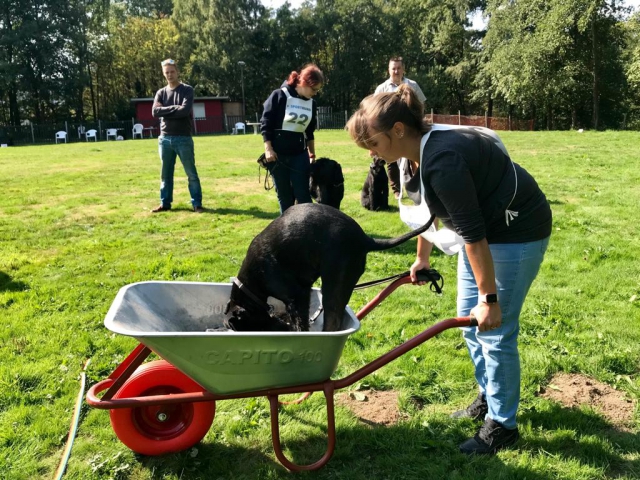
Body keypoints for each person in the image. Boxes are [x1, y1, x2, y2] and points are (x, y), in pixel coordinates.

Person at [346, 84, 552, 455]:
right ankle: (488, 398)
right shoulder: (411, 156)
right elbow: (430, 212)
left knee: (495, 329)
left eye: (373, 144)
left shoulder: (442, 159)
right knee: (467, 321)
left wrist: (490, 298)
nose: (372, 154)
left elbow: (473, 235)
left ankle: (503, 425)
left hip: (515, 230)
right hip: (485, 233)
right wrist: (422, 257)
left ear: (397, 130)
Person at [260, 64, 324, 214]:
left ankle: (308, 230)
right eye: (314, 89)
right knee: (285, 196)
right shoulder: (279, 95)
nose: (315, 94)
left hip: (299, 155)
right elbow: (266, 123)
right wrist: (268, 149)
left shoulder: (312, 104)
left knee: (303, 195)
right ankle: (287, 233)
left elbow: (309, 131)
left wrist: (312, 154)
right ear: (304, 83)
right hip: (277, 156)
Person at [151, 58, 204, 213]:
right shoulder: (161, 92)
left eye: (172, 71)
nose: (170, 75)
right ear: (163, 73)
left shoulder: (187, 90)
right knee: (165, 175)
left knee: (191, 174)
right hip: (164, 139)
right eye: (166, 72)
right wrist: (175, 108)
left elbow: (185, 111)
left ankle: (197, 204)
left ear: (177, 71)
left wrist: (166, 110)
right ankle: (165, 203)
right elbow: (155, 111)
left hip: (183, 138)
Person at [374, 56, 426, 200]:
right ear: (388, 70)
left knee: (415, 158)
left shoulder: (413, 85)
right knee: (391, 160)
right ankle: (396, 191)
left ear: (403, 69)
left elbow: (421, 106)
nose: (396, 71)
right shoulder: (382, 88)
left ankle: (417, 189)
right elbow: (375, 111)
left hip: (410, 130)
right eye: (393, 68)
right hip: (389, 130)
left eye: (399, 68)